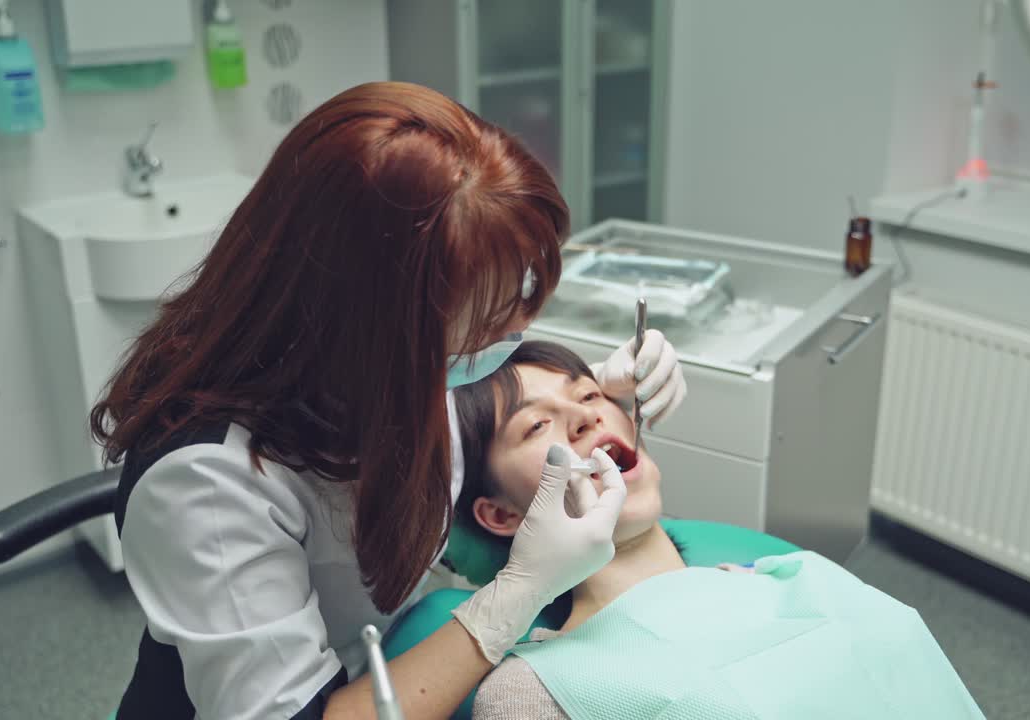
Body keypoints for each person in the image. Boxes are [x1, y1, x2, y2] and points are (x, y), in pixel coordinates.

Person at [88, 81, 687, 720]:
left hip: (385, 652)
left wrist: (596, 380)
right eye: (485, 326)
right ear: (371, 332)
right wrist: (516, 594)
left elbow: (463, 396)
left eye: (520, 297)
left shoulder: (401, 368)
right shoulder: (208, 485)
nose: (513, 337)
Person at [452, 341, 985, 720]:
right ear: (503, 515)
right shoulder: (533, 694)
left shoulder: (793, 579)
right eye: (537, 425)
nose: (587, 417)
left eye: (591, 396)